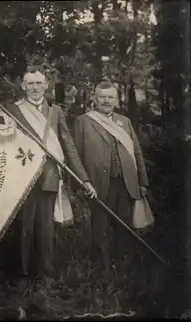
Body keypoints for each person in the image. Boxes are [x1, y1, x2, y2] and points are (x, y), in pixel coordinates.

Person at [4, 66, 97, 284]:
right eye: (30, 83)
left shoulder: (56, 112)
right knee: (24, 226)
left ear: (46, 85)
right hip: (23, 176)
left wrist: (83, 179)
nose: (34, 87)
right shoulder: (13, 109)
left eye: (38, 83)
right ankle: (22, 274)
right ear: (23, 86)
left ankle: (45, 273)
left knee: (46, 227)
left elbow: (69, 146)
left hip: (49, 176)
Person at [72, 81, 150, 276]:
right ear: (95, 98)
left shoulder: (125, 121)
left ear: (116, 100)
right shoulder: (83, 121)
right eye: (102, 97)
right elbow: (75, 156)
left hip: (126, 183)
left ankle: (123, 267)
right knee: (101, 226)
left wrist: (142, 181)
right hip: (99, 184)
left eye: (110, 97)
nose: (106, 101)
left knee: (125, 225)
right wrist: (83, 182)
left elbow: (137, 153)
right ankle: (103, 269)